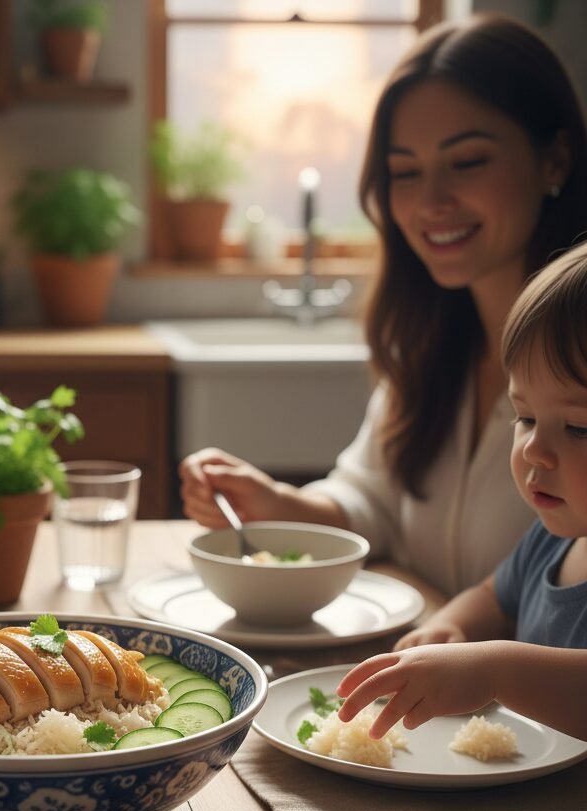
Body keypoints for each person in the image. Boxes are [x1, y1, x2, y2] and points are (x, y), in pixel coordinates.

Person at [179, 14, 587, 597]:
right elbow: (373, 503)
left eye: (467, 162)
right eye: (405, 173)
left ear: (555, 160)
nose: (431, 201)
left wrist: (434, 610)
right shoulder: (427, 343)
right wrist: (276, 503)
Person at [335, 240, 587, 742]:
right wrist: (451, 628)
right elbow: (494, 595)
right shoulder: (553, 540)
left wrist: (493, 670)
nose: (535, 449)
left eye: (579, 427)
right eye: (526, 417)